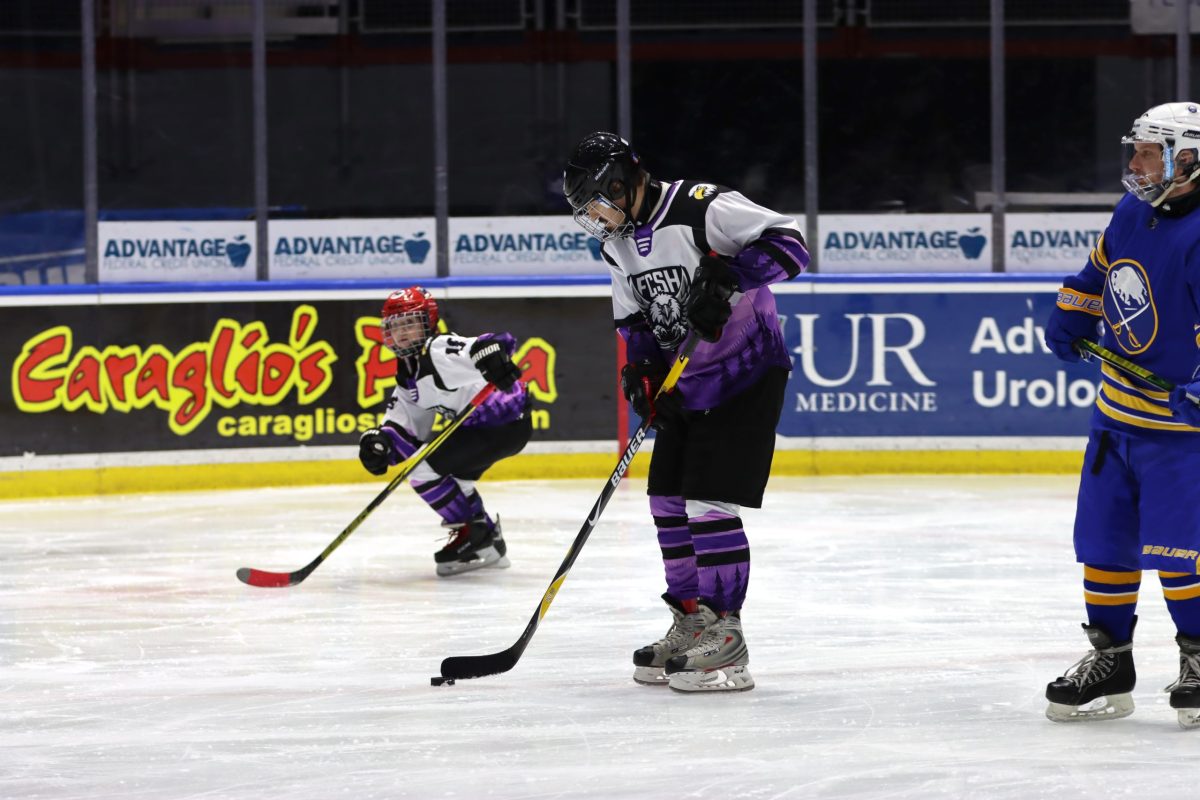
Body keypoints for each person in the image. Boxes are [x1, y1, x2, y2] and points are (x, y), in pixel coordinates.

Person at [562, 132, 809, 693]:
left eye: (598, 203)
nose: (596, 219)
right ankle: (692, 619)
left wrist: (732, 276)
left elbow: (792, 245)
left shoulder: (702, 207)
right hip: (687, 383)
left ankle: (727, 635)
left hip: (747, 374)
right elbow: (634, 321)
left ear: (622, 184)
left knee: (708, 502)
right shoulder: (617, 246)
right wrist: (643, 373)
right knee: (668, 502)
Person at [1042, 101, 1200, 729]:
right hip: (1115, 419)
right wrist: (1072, 312)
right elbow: (1098, 272)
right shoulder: (1134, 210)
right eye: (1135, 150)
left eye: (1148, 152)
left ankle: (1198, 658)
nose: (1135, 163)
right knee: (1104, 544)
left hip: (1182, 433)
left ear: (1187, 159)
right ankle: (1111, 660)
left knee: (1182, 550)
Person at [358, 286, 531, 577]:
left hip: (499, 426)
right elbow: (407, 427)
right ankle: (486, 542)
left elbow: (487, 345)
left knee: (422, 471)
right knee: (456, 480)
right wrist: (381, 444)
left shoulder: (437, 351)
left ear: (428, 322)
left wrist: (492, 352)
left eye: (410, 323)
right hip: (490, 429)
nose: (402, 333)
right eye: (396, 326)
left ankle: (477, 536)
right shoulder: (408, 373)